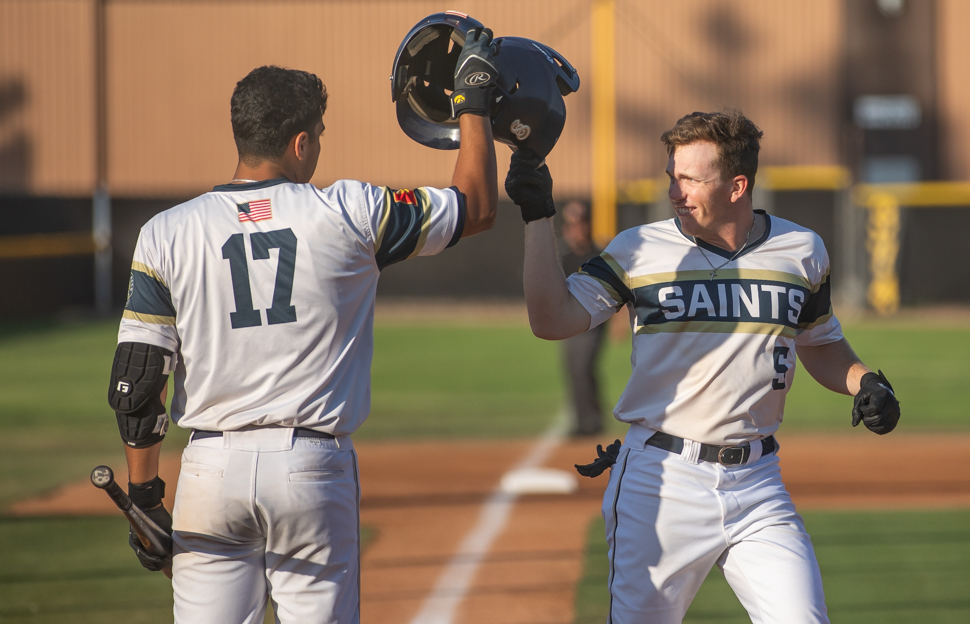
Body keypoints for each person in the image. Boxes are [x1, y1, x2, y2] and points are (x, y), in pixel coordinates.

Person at [106, 26, 500, 624]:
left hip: (209, 472)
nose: (318, 146)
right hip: (311, 467)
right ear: (298, 143)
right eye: (317, 135)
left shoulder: (166, 232)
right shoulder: (349, 210)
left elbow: (137, 383)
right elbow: (476, 206)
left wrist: (144, 498)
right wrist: (472, 101)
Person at [505, 111, 900, 623]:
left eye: (690, 178)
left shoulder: (802, 251)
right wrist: (538, 217)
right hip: (661, 481)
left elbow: (820, 343)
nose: (675, 190)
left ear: (738, 185)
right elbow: (551, 319)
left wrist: (864, 382)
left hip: (759, 484)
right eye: (672, 175)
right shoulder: (638, 249)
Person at [558, 201, 606, 436]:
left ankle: (590, 421)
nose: (575, 230)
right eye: (571, 226)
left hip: (594, 324)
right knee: (574, 370)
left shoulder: (597, 255)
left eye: (579, 225)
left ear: (587, 226)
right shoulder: (563, 257)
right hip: (570, 325)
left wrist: (618, 322)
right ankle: (585, 420)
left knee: (583, 367)